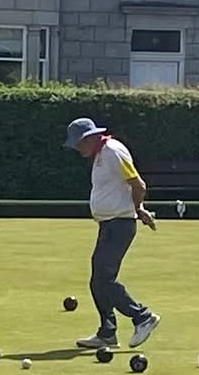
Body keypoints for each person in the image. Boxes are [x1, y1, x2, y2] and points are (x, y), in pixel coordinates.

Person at [63, 117, 160, 350]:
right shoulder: (100, 155)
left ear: (91, 138)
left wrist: (138, 209)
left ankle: (142, 317)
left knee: (104, 279)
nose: (77, 148)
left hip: (120, 224)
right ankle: (107, 332)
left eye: (78, 143)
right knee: (98, 280)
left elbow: (139, 185)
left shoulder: (113, 152)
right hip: (109, 224)